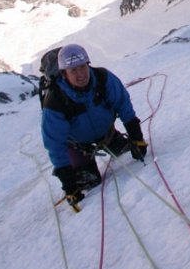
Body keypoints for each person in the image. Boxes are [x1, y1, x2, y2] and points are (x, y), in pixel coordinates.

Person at [41, 43, 147, 203]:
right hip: (77, 144)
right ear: (64, 74)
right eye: (73, 70)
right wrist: (70, 187)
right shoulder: (55, 102)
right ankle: (88, 157)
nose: (81, 74)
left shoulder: (102, 78)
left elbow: (123, 105)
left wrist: (137, 137)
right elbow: (55, 144)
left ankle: (112, 140)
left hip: (106, 132)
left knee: (125, 152)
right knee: (90, 182)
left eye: (83, 67)